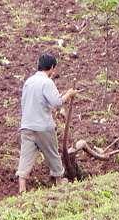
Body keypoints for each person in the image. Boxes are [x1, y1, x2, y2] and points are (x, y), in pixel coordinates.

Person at [16, 53, 77, 193]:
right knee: (52, 153)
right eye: (54, 68)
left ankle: (22, 187)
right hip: (43, 126)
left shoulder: (28, 82)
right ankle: (59, 181)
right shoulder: (47, 82)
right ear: (51, 67)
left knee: (26, 155)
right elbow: (57, 102)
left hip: (26, 125)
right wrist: (69, 94)